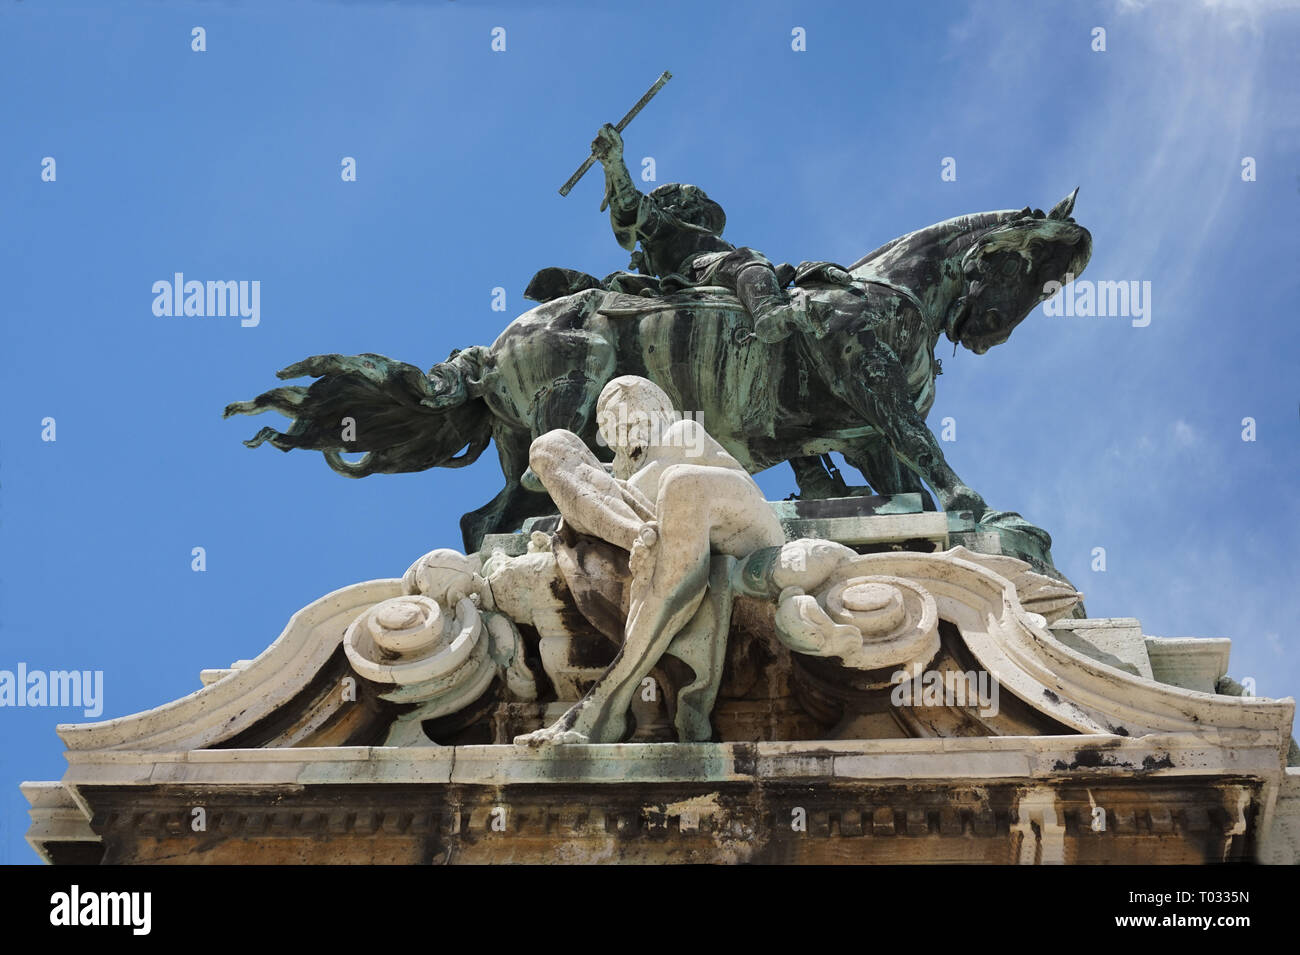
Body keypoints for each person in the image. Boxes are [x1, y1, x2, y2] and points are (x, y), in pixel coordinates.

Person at [514, 376, 785, 745]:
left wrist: (588, 491)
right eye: (615, 427)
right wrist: (582, 487)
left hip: (745, 531)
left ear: (659, 411)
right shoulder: (621, 472)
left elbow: (643, 486)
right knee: (549, 445)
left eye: (635, 419)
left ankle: (602, 707)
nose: (627, 432)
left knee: (679, 481)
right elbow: (604, 490)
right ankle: (635, 536)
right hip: (656, 529)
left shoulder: (681, 433)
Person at [590, 123, 805, 344]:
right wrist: (615, 164)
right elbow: (631, 206)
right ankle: (768, 312)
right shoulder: (668, 225)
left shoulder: (701, 234)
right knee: (746, 257)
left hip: (716, 269)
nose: (700, 210)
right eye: (694, 203)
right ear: (675, 207)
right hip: (696, 272)